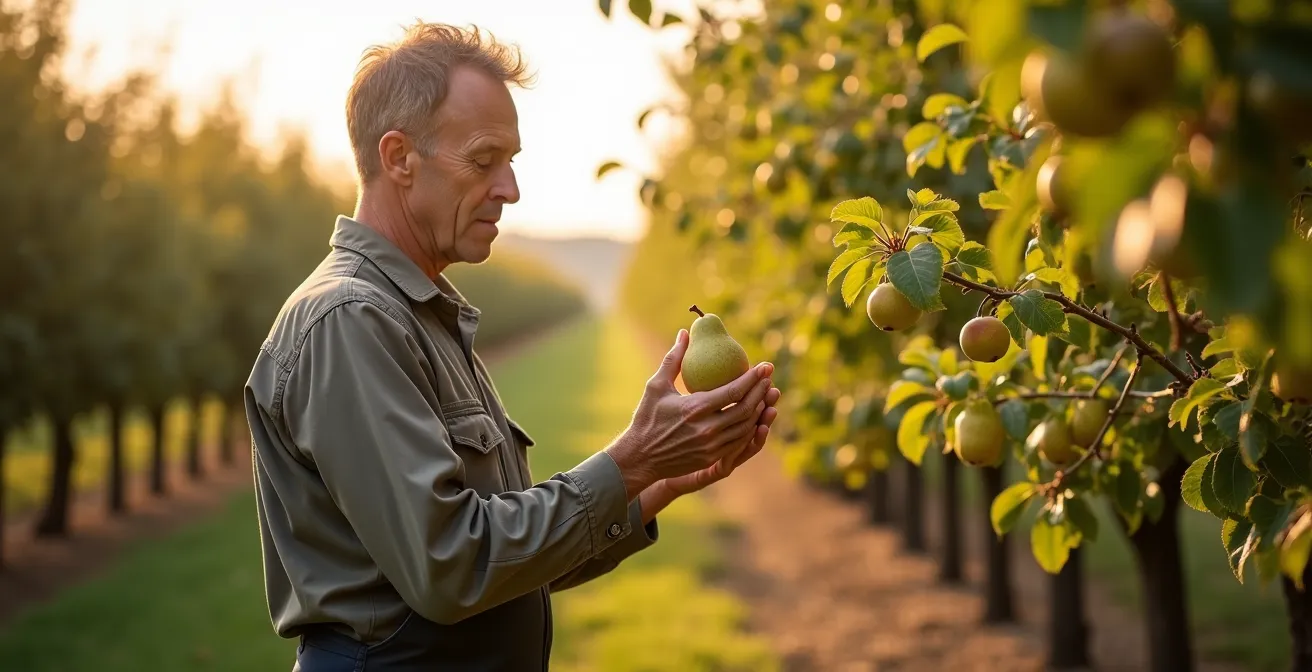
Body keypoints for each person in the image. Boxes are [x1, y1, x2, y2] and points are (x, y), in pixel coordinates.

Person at [243, 21, 782, 671]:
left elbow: (503, 562)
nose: (510, 189)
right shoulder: (350, 321)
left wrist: (656, 481)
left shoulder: (420, 316)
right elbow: (453, 566)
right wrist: (629, 462)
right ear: (399, 158)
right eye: (483, 160)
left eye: (512, 162)